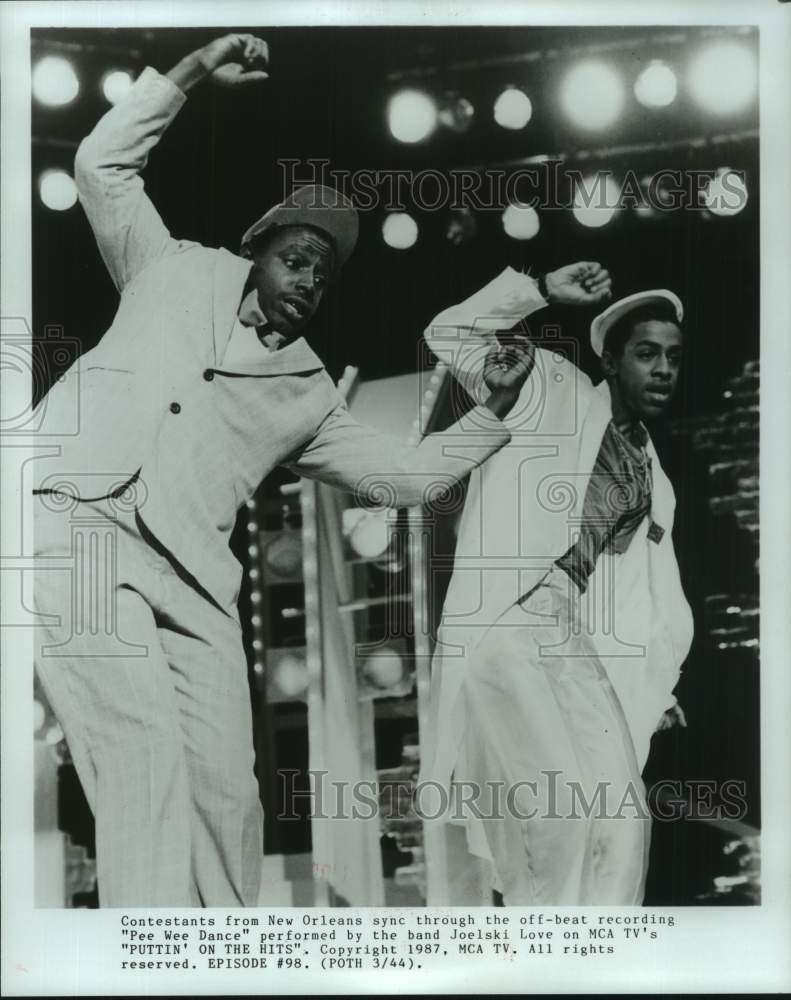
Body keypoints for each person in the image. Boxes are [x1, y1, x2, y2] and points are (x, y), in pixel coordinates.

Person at [31, 34, 607, 908]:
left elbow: (405, 480)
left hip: (191, 578)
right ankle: (141, 963)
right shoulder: (170, 267)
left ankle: (223, 959)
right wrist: (188, 75)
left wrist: (492, 409)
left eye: (323, 273)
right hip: (73, 522)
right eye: (295, 257)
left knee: (229, 790)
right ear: (256, 249)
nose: (306, 280)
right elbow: (102, 163)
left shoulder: (305, 393)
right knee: (141, 752)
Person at [420, 270, 693, 906]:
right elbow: (447, 331)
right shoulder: (552, 387)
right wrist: (539, 288)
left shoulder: (656, 477)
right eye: (647, 353)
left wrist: (659, 687)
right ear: (609, 357)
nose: (663, 370)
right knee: (562, 814)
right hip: (507, 620)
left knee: (623, 820)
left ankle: (602, 965)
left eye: (674, 359)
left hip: (569, 634)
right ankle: (544, 965)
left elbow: (649, 594)